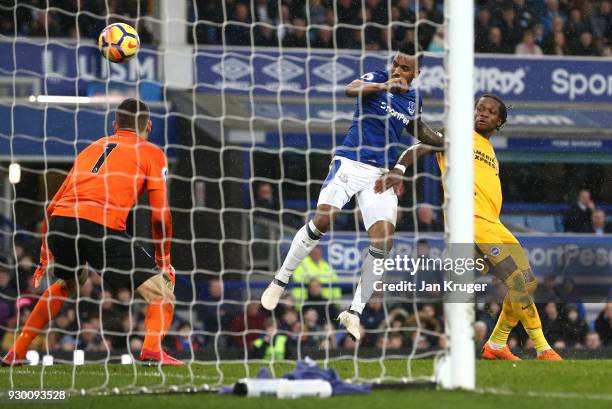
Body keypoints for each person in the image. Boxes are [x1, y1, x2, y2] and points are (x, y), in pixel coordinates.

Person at [375, 94, 562, 360]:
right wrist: (399, 168)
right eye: (479, 109)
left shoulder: (488, 149)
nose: (482, 113)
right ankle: (543, 348)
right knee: (516, 281)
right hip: (471, 222)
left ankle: (496, 345)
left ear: (499, 122)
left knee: (528, 284)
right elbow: (419, 146)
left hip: (494, 224)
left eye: (489, 111)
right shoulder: (456, 135)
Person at [261, 41, 425, 341]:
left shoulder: (414, 101)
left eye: (405, 68)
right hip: (350, 163)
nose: (398, 71)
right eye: (396, 65)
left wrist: (442, 139)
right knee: (323, 221)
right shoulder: (378, 78)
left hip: (379, 175)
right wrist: (386, 83)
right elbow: (350, 89)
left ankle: (354, 312)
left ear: (416, 73)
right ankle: (280, 280)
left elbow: (419, 132)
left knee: (385, 242)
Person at [2, 99, 181, 366]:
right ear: (150, 126)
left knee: (68, 283)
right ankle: (153, 350)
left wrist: (44, 255)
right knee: (163, 293)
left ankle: (15, 352)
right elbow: (160, 217)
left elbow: (52, 207)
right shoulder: (151, 152)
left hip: (61, 223)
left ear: (113, 125)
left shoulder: (90, 149)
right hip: (102, 224)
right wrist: (164, 261)